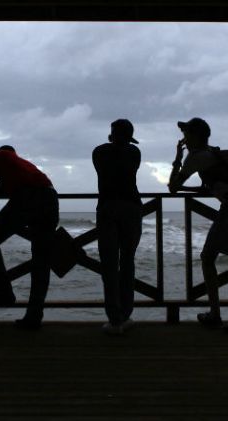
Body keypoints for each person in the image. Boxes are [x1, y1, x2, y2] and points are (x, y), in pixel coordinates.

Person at [168, 117, 228, 338]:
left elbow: (173, 186)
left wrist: (177, 157)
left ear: (194, 136)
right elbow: (215, 185)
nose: (183, 139)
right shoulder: (218, 154)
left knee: (208, 256)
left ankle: (215, 314)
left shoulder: (195, 157)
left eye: (186, 135)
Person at [0, 145, 59, 330]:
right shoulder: (24, 166)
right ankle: (34, 315)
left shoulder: (0, 155)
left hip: (28, 197)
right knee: (41, 261)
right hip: (50, 197)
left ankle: (3, 292)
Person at [92, 119, 142, 335]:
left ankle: (114, 319)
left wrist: (113, 140)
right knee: (128, 261)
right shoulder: (134, 153)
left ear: (111, 135)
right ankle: (125, 314)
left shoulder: (99, 152)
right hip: (131, 206)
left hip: (107, 206)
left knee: (109, 264)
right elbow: (128, 150)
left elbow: (106, 158)